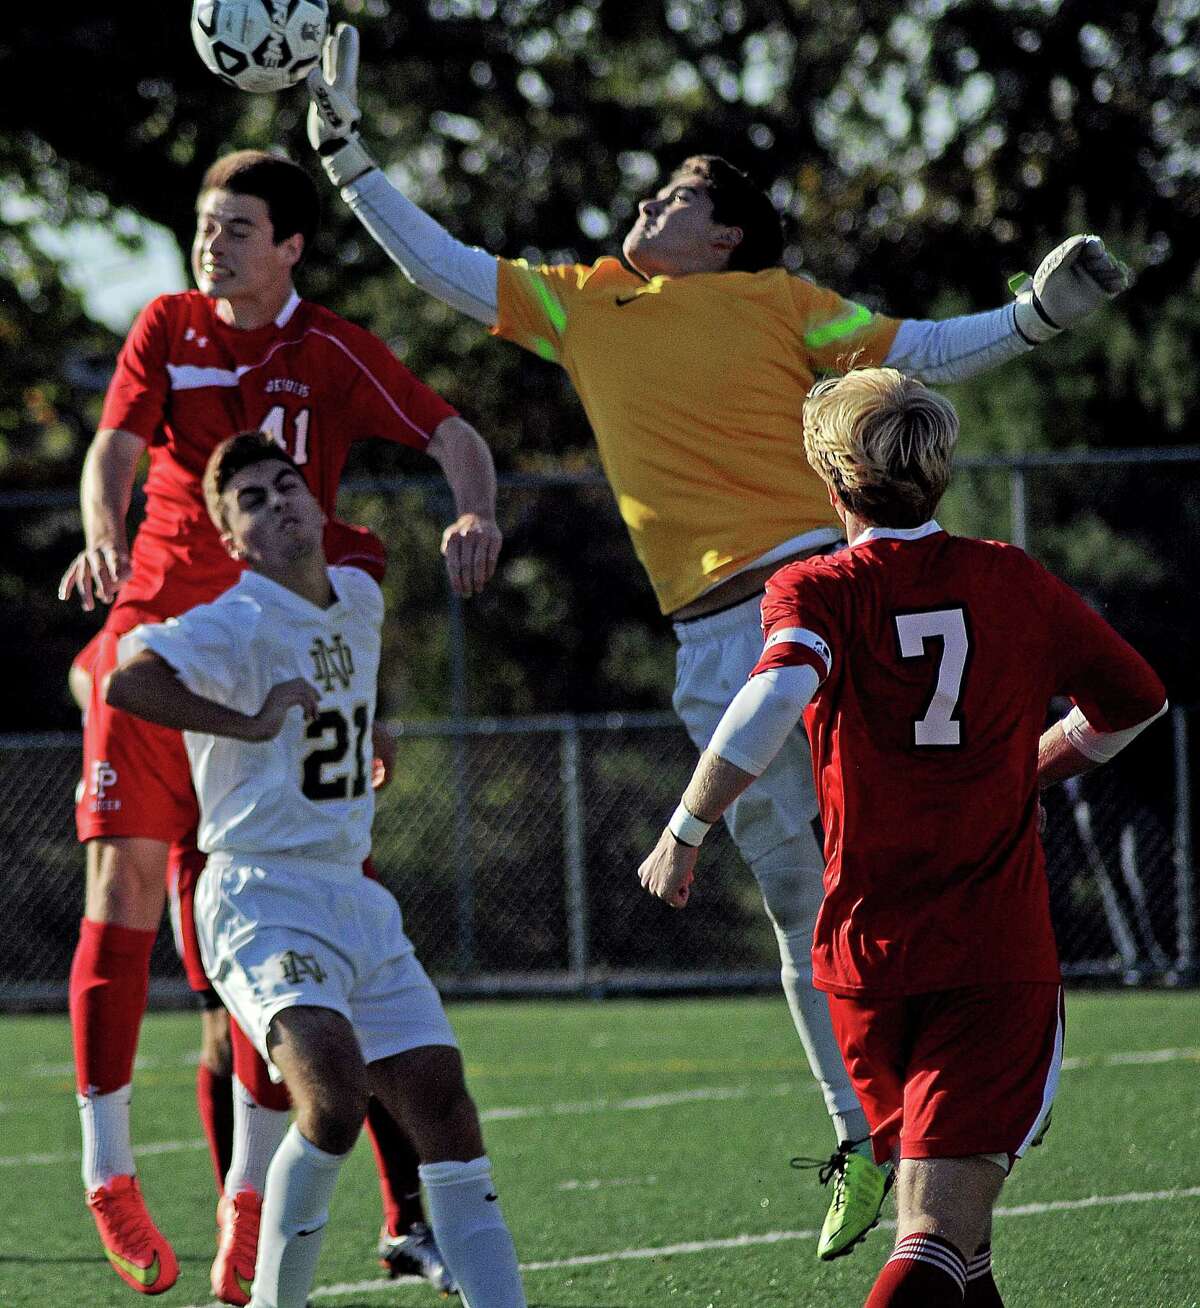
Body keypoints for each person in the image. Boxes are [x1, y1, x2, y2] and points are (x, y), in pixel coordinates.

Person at [304, 24, 1131, 1257]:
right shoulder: (583, 301)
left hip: (824, 601)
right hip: (705, 644)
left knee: (907, 848)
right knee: (798, 901)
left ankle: (989, 1068)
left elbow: (920, 352)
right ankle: (865, 1137)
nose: (650, 199)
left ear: (727, 236)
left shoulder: (777, 301)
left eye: (679, 195)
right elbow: (441, 268)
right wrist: (346, 161)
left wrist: (1031, 317)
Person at [58, 148, 499, 1297]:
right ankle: (110, 1172)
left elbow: (453, 435)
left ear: (292, 244)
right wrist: (104, 530)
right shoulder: (166, 325)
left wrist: (474, 515)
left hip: (279, 714)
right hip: (166, 637)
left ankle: (254, 1214)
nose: (214, 242)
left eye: (238, 226)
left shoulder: (331, 352)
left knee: (259, 996)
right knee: (126, 890)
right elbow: (113, 441)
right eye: (205, 223)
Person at [638, 367, 1167, 1306]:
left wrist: (689, 824)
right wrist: (1034, 765)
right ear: (941, 473)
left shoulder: (816, 587)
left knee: (965, 1254)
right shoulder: (1010, 576)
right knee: (932, 1241)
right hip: (986, 955)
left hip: (865, 961)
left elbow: (776, 690)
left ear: (831, 484)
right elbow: (1136, 700)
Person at [105, 430, 527, 1308]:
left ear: (316, 501)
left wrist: (371, 727)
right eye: (250, 501)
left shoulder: (360, 596)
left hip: (351, 891)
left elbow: (349, 683)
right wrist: (250, 722)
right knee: (331, 1097)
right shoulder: (234, 618)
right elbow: (127, 681)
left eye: (286, 484)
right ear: (230, 540)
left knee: (442, 1102)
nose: (278, 503)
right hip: (260, 893)